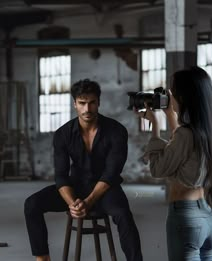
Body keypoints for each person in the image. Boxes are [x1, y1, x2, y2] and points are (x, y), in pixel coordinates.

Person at [24, 79, 143, 261]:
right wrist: (73, 203)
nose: (87, 109)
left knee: (123, 214)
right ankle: (43, 259)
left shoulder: (116, 131)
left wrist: (88, 201)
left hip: (106, 190)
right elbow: (61, 175)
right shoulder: (63, 134)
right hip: (76, 187)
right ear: (75, 104)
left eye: (92, 103)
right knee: (32, 204)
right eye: (82, 103)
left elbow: (111, 173)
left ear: (98, 102)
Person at [135, 66, 212, 261]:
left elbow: (158, 168)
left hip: (186, 219)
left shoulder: (186, 135)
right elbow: (182, 151)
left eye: (172, 91)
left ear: (185, 96)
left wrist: (155, 129)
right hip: (208, 218)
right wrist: (171, 117)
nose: (169, 95)